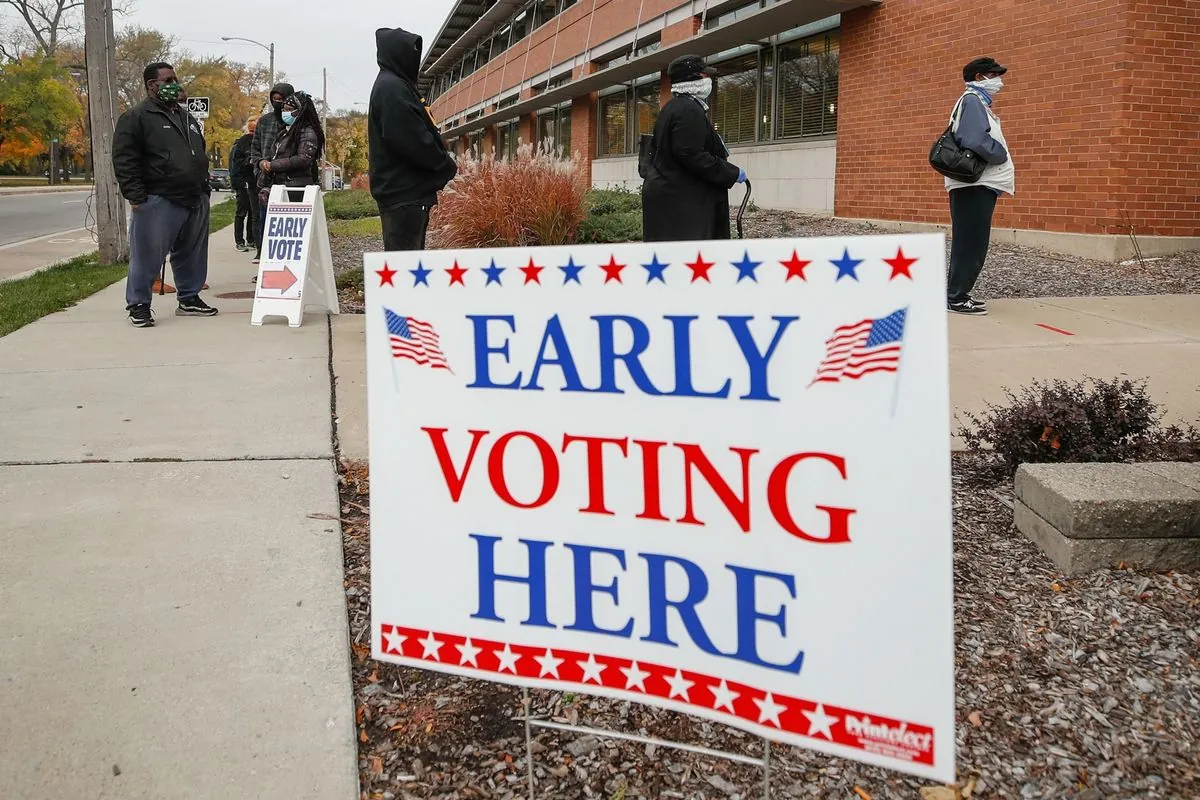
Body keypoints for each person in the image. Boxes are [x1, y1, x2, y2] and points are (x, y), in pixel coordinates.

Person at [112, 61, 218, 327]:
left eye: (175, 80)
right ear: (152, 85)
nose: (175, 85)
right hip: (158, 198)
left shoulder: (185, 116)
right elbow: (125, 160)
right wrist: (136, 197)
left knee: (192, 252)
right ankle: (139, 305)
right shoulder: (136, 117)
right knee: (147, 255)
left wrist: (203, 186)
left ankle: (189, 298)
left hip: (194, 196)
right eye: (168, 81)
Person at [368, 27, 457, 251]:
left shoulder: (395, 85)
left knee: (406, 267)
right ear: (397, 53)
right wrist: (444, 165)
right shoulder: (392, 88)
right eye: (410, 53)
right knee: (404, 271)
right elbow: (410, 138)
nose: (415, 60)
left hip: (404, 194)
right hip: (404, 194)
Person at [641, 54, 745, 242]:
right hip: (683, 201)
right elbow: (690, 154)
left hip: (674, 197)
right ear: (694, 78)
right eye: (705, 76)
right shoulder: (688, 110)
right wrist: (731, 173)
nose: (709, 81)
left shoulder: (673, 108)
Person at [945, 57, 1014, 316]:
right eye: (992, 75)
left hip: (976, 185)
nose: (998, 80)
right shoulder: (972, 101)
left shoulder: (977, 103)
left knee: (970, 240)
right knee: (971, 242)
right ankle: (957, 298)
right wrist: (1001, 155)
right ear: (978, 78)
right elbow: (973, 138)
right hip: (974, 185)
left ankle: (957, 295)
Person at [250, 81, 295, 264]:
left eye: (282, 100)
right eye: (274, 99)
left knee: (286, 228)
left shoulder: (295, 121)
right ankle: (264, 261)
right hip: (266, 182)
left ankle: (286, 264)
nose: (278, 103)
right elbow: (255, 149)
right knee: (265, 223)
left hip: (290, 181)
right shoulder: (264, 121)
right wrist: (260, 164)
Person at [256, 91, 325, 206]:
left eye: (289, 110)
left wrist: (272, 166)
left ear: (300, 111)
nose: (284, 113)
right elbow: (275, 154)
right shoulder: (284, 132)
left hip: (296, 190)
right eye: (284, 109)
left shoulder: (308, 132)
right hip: (280, 187)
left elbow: (303, 159)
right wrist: (262, 163)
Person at [229, 118, 257, 252]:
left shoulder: (257, 142)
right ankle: (239, 241)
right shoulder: (241, 143)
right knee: (242, 212)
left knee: (252, 212)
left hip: (253, 181)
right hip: (243, 181)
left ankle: (251, 239)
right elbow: (236, 165)